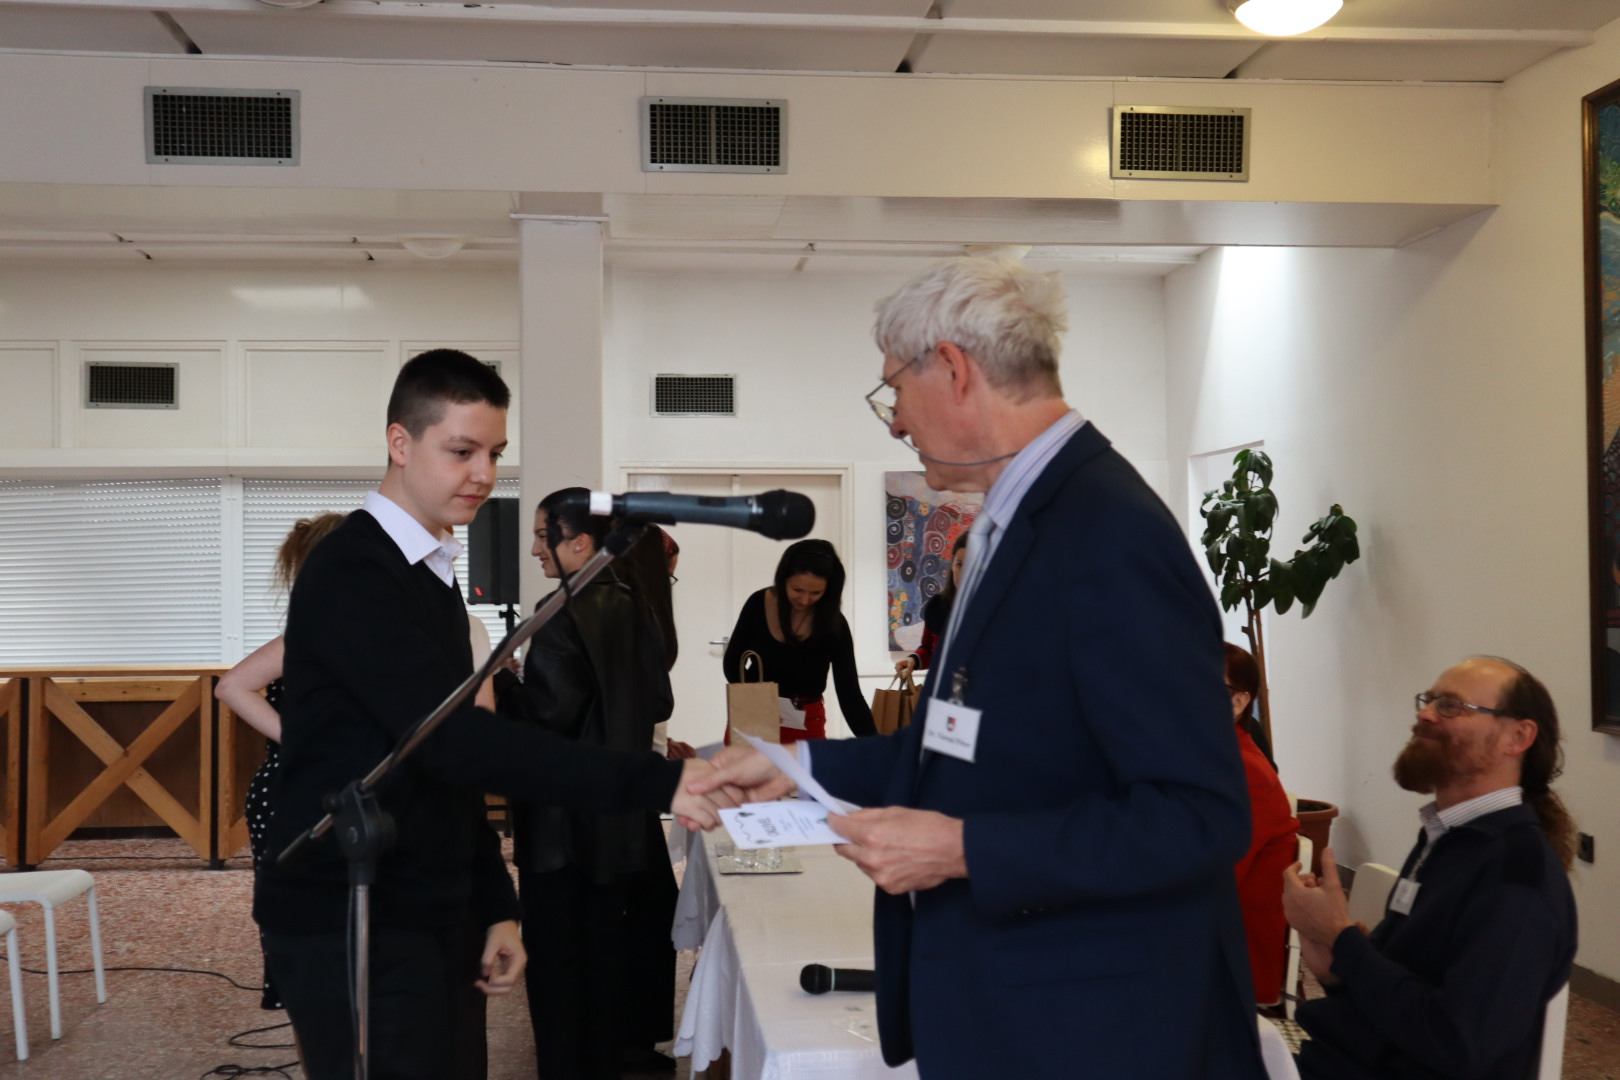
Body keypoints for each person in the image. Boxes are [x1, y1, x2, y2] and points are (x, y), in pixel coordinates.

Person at [693, 256, 1264, 1079]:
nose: (895, 420)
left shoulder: (1107, 532)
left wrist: (965, 849)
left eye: (895, 388)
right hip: (1017, 1007)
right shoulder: (1017, 519)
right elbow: (959, 744)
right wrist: (799, 766)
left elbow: (1198, 816)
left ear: (954, 369)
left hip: (1094, 1031)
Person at [253, 349, 732, 1080]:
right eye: (462, 451)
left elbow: (444, 776)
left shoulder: (432, 576)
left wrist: (493, 906)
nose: (484, 473)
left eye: (495, 453)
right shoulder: (353, 569)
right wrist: (659, 782)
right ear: (400, 442)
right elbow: (455, 744)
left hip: (425, 903)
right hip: (350, 909)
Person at [1283, 656, 1578, 1080]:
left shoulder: (1517, 875)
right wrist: (1336, 968)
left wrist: (1343, 941)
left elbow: (1459, 1044)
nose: (1425, 714)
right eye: (1429, 700)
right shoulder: (1447, 838)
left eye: (1451, 706)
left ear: (1517, 737)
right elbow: (1405, 993)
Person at [496, 489, 677, 1080]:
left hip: (560, 823)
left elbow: (548, 715)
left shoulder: (559, 610)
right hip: (618, 815)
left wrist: (503, 682)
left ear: (579, 543)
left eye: (541, 535)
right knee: (604, 958)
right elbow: (658, 702)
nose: (534, 550)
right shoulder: (639, 604)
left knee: (556, 968)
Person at [216, 511, 346, 1014]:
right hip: (295, 789)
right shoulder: (314, 631)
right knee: (306, 928)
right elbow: (232, 686)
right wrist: (302, 742)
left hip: (318, 786)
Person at [723, 538, 877, 741]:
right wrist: (758, 703)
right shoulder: (758, 604)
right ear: (783, 580)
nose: (805, 600)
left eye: (816, 593)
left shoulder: (834, 624)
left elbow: (850, 695)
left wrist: (876, 746)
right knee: (744, 763)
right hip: (754, 715)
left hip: (805, 721)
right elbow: (732, 662)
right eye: (797, 590)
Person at [1224, 642, 1298, 1006]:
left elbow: (1211, 877)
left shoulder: (1243, 771)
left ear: (1237, 702)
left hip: (1228, 958)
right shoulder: (1210, 757)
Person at [895, 532, 968, 677]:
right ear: (952, 564)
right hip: (943, 686)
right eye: (959, 564)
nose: (963, 573)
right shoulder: (938, 605)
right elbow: (928, 649)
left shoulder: (995, 608)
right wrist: (913, 660)